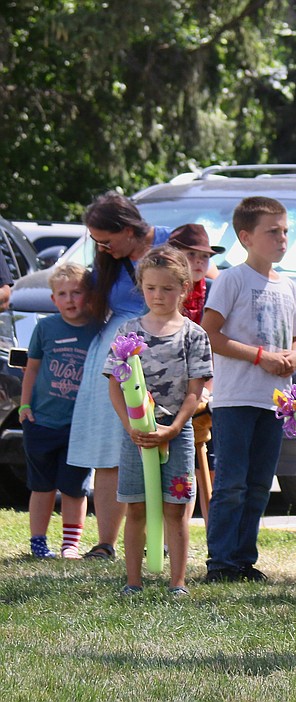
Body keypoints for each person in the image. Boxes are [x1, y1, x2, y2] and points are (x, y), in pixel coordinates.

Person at [201, 196, 296, 583]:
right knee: (231, 483)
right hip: (236, 399)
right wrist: (259, 356)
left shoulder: (289, 286)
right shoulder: (232, 279)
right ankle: (221, 562)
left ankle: (244, 559)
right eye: (272, 232)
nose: (281, 238)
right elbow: (211, 334)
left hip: (274, 402)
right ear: (246, 237)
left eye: (285, 231)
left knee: (260, 484)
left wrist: (294, 358)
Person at [69, 192, 173, 561]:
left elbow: (202, 283)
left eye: (106, 240)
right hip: (114, 354)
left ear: (129, 230)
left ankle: (158, 537)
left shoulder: (170, 240)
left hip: (162, 350)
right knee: (109, 449)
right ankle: (106, 542)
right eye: (96, 240)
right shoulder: (108, 261)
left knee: (158, 447)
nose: (101, 247)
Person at [104, 246, 213, 596]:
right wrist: (129, 426)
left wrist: (175, 427)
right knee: (135, 506)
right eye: (151, 288)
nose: (158, 295)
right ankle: (133, 581)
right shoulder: (128, 333)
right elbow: (115, 387)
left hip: (176, 434)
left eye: (167, 288)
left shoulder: (194, 335)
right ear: (141, 287)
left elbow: (196, 391)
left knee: (176, 508)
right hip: (135, 435)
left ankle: (177, 583)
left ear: (184, 288)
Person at [20, 263, 98, 559]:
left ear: (89, 295)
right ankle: (38, 542)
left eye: (77, 292)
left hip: (79, 425)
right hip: (42, 421)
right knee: (40, 486)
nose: (70, 299)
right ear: (53, 300)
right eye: (62, 294)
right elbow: (33, 368)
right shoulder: (46, 328)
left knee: (74, 488)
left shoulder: (97, 330)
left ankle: (70, 544)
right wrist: (25, 405)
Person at [167, 223, 225, 325]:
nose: (199, 261)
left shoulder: (214, 289)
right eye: (191, 254)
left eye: (205, 256)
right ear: (173, 258)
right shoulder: (161, 287)